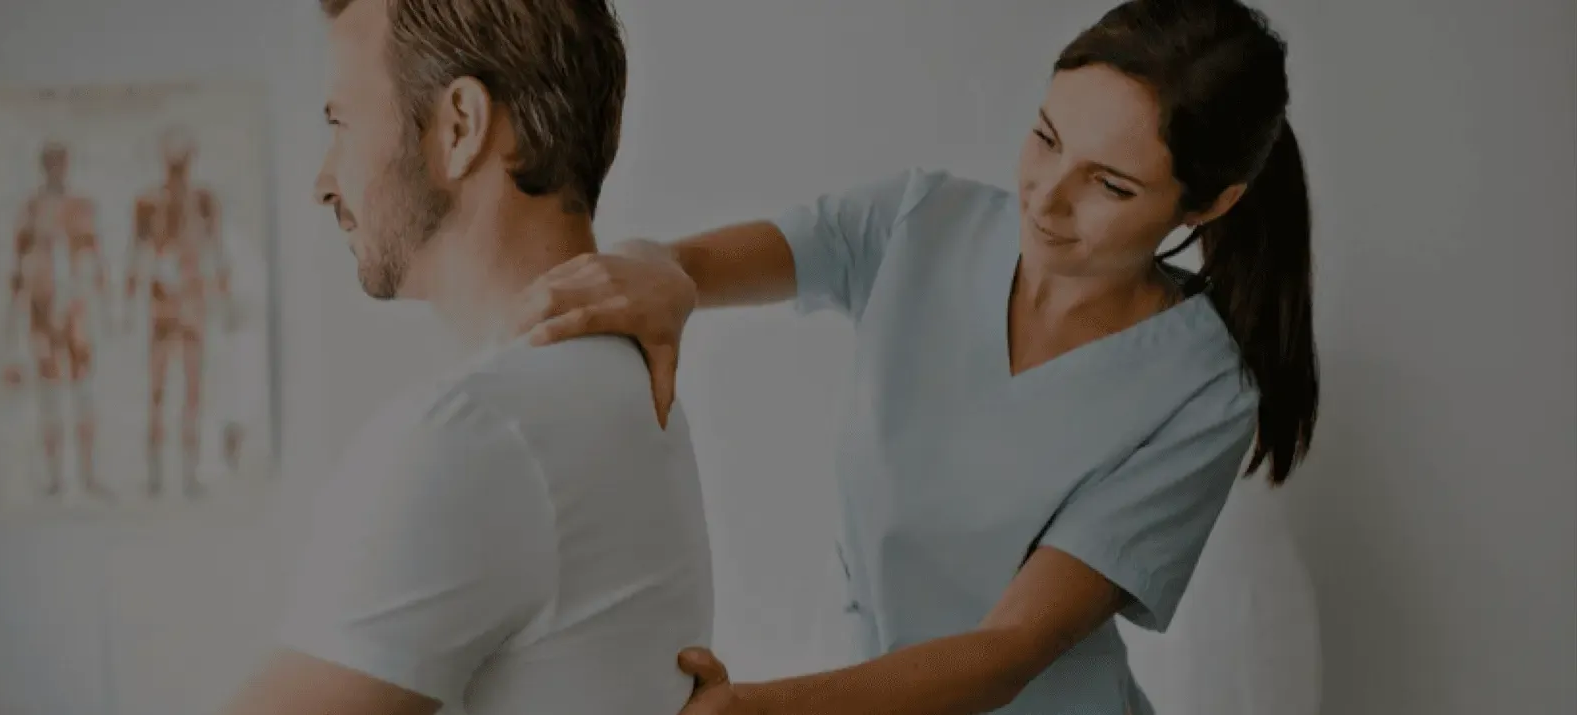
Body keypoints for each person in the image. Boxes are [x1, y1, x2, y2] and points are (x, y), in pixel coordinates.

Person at [514, 1, 1320, 713]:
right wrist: (660, 272)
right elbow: (701, 264)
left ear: (1211, 203)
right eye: (1045, 137)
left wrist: (759, 712)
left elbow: (1008, 651)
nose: (1045, 195)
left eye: (1108, 184)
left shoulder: (1202, 389)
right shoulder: (921, 223)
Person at [221, 1, 711, 714]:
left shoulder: (479, 434)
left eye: (341, 123)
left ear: (459, 127)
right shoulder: (623, 380)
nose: (324, 181)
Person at [123, 127, 244, 497]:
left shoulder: (204, 200)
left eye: (182, 159)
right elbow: (136, 253)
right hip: (164, 304)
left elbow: (217, 251)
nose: (177, 167)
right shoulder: (148, 202)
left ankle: (187, 475)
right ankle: (157, 474)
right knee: (158, 391)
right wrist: (128, 305)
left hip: (192, 303)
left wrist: (225, 302)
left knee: (192, 391)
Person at [0, 140, 114, 500]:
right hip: (42, 309)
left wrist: (107, 309)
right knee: (49, 395)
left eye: (61, 163)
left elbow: (95, 258)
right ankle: (54, 478)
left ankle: (89, 474)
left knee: (83, 394)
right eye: (51, 163)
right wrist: (10, 322)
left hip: (75, 309)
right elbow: (17, 268)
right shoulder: (31, 210)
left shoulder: (82, 208)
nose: (57, 169)